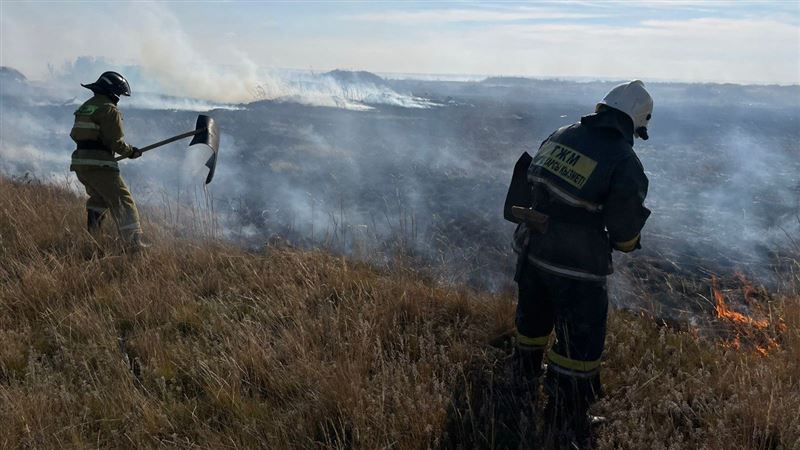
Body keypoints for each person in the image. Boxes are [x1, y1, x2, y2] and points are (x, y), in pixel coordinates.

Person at [503, 80, 653, 445]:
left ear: (602, 109)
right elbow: (623, 229)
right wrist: (629, 244)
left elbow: (533, 176)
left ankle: (521, 382)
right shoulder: (623, 158)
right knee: (579, 345)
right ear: (633, 122)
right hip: (577, 267)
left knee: (532, 322)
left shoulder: (562, 133)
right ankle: (566, 414)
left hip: (533, 250)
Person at [69, 71, 148, 251]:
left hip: (81, 163)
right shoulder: (109, 109)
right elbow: (116, 142)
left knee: (99, 199)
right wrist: (131, 152)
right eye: (118, 94)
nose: (119, 97)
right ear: (112, 92)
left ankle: (93, 238)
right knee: (123, 201)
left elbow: (76, 134)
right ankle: (134, 243)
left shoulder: (86, 107)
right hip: (100, 165)